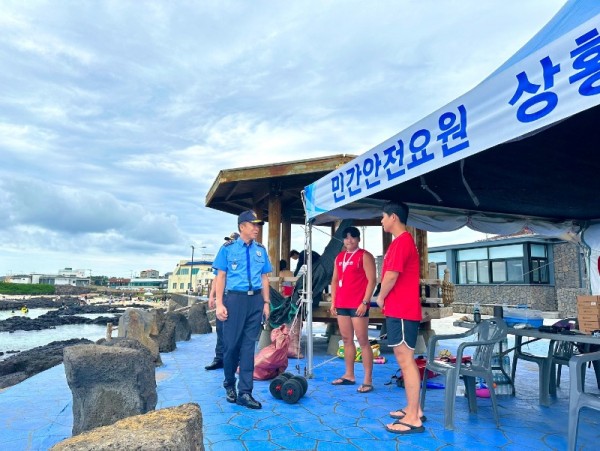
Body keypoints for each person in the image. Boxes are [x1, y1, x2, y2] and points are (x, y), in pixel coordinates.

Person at [213, 210, 272, 410]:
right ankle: (229, 383)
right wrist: (219, 303)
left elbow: (264, 278)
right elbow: (221, 277)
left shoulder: (260, 250)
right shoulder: (228, 249)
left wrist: (266, 303)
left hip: (255, 301)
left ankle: (245, 392)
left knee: (248, 348)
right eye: (253, 224)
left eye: (258, 225)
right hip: (234, 300)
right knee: (231, 346)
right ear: (242, 227)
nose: (256, 228)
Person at [377, 201, 425, 434]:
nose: (382, 220)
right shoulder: (401, 242)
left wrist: (379, 297)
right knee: (403, 359)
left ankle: (414, 418)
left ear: (394, 217)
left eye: (383, 217)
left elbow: (391, 276)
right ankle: (412, 407)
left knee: (406, 362)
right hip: (399, 309)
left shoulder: (402, 242)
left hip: (403, 310)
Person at [330, 226, 377, 393]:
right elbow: (334, 281)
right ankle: (349, 375)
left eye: (353, 237)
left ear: (358, 239)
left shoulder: (365, 256)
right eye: (346, 237)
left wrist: (365, 302)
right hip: (342, 303)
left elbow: (372, 280)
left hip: (358, 304)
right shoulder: (339, 257)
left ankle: (367, 379)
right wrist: (333, 302)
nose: (349, 240)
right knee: (346, 339)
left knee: (363, 340)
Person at [205, 232, 239, 371]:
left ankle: (235, 360)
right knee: (220, 329)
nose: (229, 242)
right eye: (228, 240)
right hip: (223, 297)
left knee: (237, 330)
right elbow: (217, 278)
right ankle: (219, 359)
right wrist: (211, 296)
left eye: (232, 240)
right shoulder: (224, 254)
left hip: (237, 297)